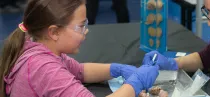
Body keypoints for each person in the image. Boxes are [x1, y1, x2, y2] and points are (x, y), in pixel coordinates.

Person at [0, 0, 158, 97]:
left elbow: (80, 71)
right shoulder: (43, 68)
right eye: (81, 26)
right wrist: (136, 83)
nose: (86, 30)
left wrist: (116, 69)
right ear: (54, 32)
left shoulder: (39, 45)